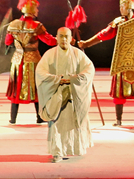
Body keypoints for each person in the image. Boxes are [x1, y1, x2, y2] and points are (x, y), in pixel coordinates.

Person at [80, 0, 134, 127]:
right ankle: (118, 120)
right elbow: (103, 34)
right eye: (120, 6)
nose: (120, 8)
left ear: (129, 6)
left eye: (123, 5)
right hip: (122, 61)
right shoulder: (118, 22)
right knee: (119, 92)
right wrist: (87, 43)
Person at [36, 27, 95, 162]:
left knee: (73, 122)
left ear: (71, 38)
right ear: (56, 38)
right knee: (57, 124)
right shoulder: (50, 54)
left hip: (74, 93)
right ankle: (57, 152)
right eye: (61, 36)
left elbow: (89, 69)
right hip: (57, 94)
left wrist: (75, 79)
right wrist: (57, 79)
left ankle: (73, 149)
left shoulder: (77, 53)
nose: (63, 39)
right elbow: (40, 72)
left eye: (66, 36)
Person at [5, 0, 56, 124]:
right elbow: (50, 41)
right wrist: (63, 40)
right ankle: (40, 117)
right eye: (36, 8)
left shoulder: (13, 24)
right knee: (36, 88)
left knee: (16, 90)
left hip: (17, 61)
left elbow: (7, 41)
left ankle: (13, 118)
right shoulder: (36, 26)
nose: (37, 10)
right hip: (33, 61)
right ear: (32, 9)